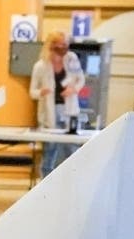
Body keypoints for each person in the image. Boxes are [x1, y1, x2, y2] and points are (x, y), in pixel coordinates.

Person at [29, 30, 85, 179]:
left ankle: (72, 184)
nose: (63, 48)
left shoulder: (72, 59)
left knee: (71, 150)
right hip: (49, 113)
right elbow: (32, 92)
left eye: (65, 44)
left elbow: (81, 79)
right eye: (60, 45)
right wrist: (42, 92)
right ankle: (45, 186)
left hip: (69, 110)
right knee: (50, 152)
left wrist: (74, 89)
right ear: (51, 45)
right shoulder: (40, 66)